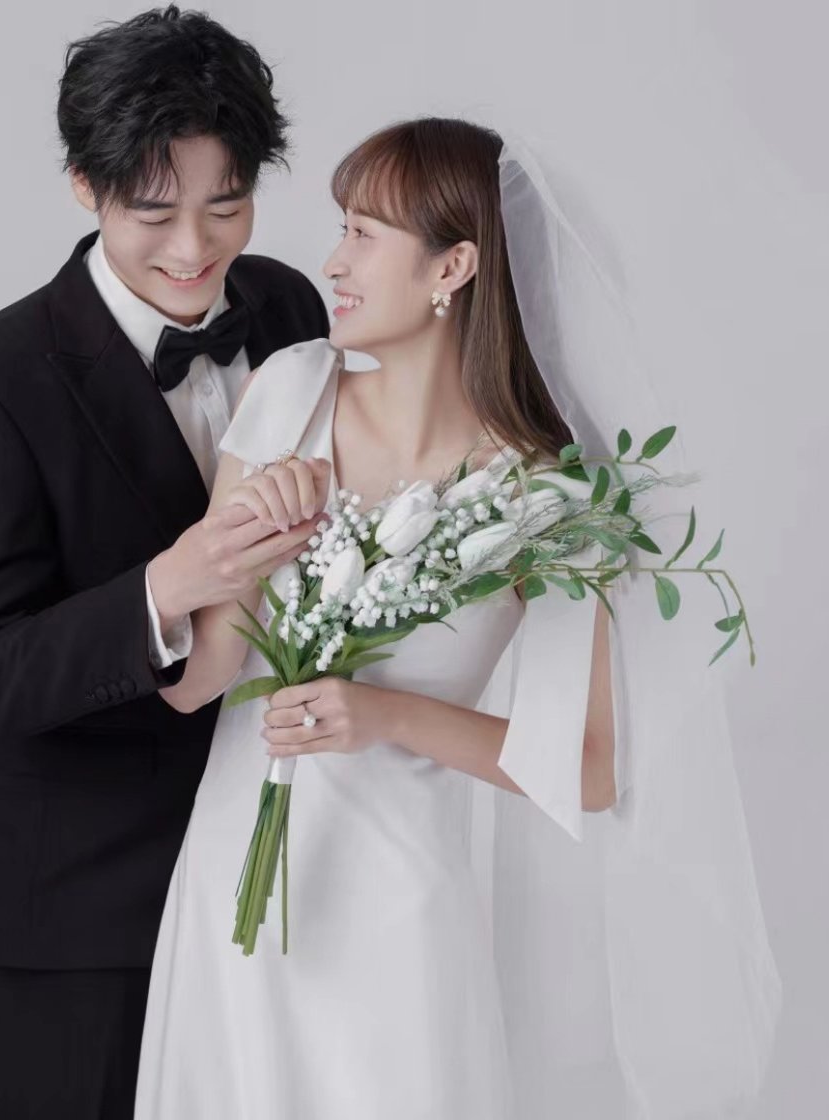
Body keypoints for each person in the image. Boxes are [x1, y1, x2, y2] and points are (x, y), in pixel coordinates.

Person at [133, 117, 781, 1119]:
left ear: (454, 267)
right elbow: (197, 683)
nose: (332, 262)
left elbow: (589, 767)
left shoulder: (547, 497)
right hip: (235, 887)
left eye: (363, 234)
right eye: (340, 230)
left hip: (397, 913)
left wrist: (382, 715)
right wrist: (239, 545)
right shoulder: (289, 392)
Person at [0, 8, 330, 1117]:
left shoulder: (289, 304)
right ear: (83, 187)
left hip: (287, 869)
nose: (195, 248)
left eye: (226, 205)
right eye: (153, 211)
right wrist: (172, 585)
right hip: (84, 900)